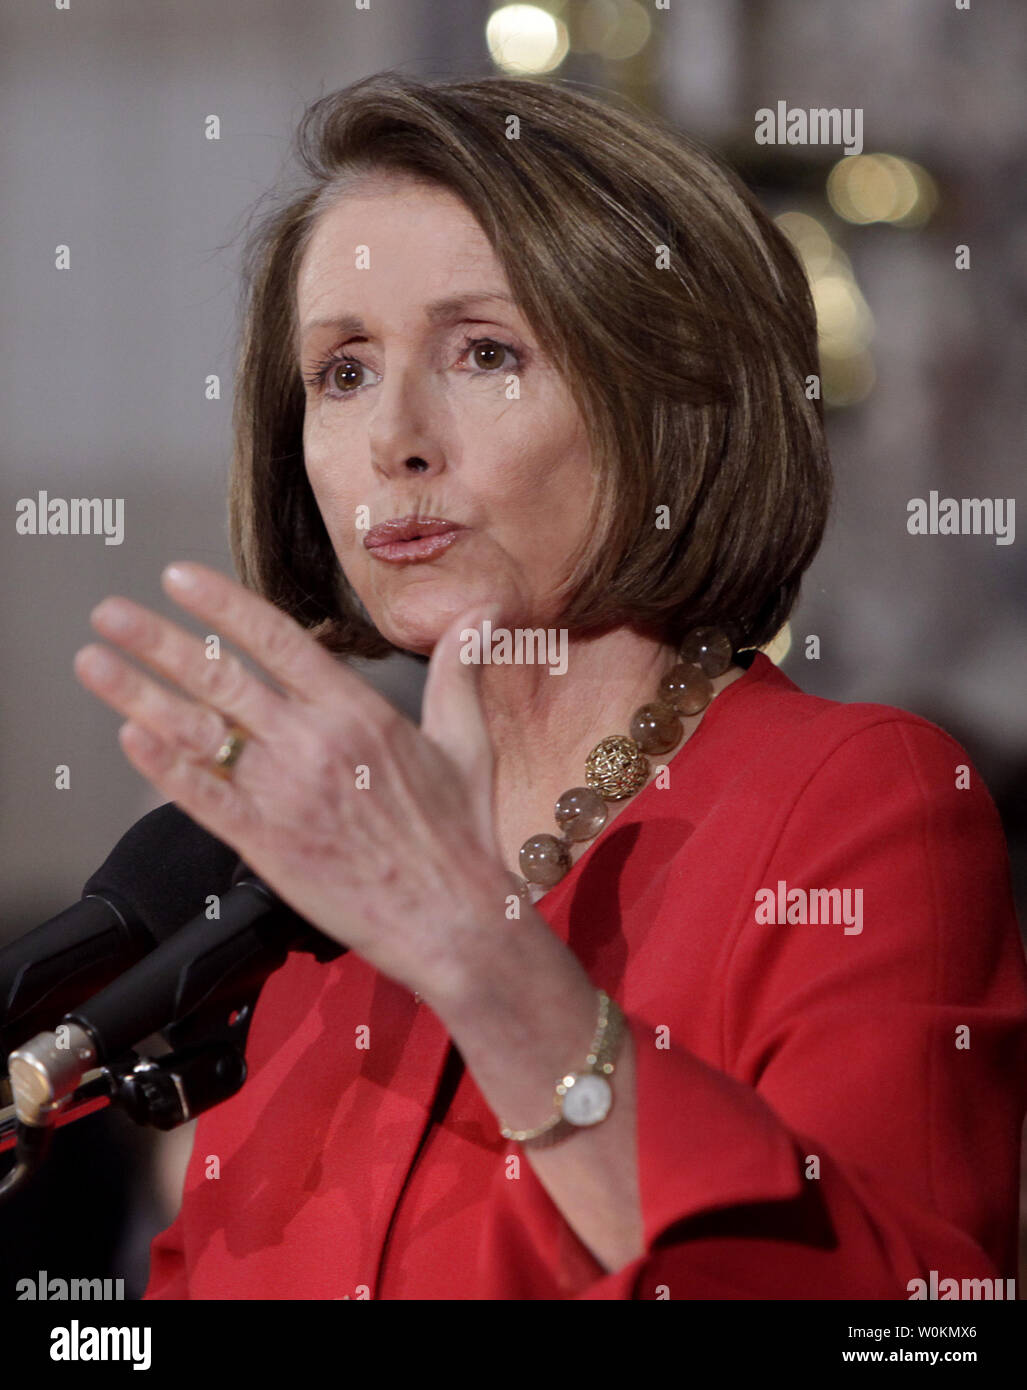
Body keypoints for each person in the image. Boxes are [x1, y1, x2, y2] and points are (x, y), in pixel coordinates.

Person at [73, 72, 1027, 1300]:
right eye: (343, 371)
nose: (393, 439)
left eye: (484, 352)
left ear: (665, 403)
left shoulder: (860, 802)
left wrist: (483, 962)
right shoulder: (297, 905)